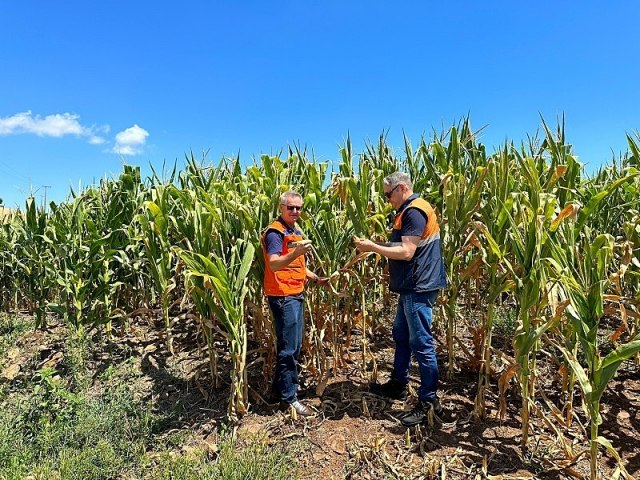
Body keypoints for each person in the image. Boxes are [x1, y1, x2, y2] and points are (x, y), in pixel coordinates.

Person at [354, 172, 447, 427]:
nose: (387, 200)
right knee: (402, 335)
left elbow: (406, 252)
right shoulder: (409, 210)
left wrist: (373, 247)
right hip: (412, 285)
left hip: (418, 286)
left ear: (402, 188)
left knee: (421, 341)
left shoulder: (414, 211)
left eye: (388, 194)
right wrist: (375, 245)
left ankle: (428, 400)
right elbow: (404, 246)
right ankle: (398, 383)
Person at [261, 190, 327, 416]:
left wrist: (316, 278)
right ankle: (289, 399)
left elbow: (296, 265)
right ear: (281, 208)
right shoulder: (275, 233)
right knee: (289, 348)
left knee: (295, 346)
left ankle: (278, 390)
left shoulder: (295, 230)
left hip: (296, 292)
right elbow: (275, 264)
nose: (295, 211)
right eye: (291, 207)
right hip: (282, 296)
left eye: (298, 207)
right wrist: (296, 251)